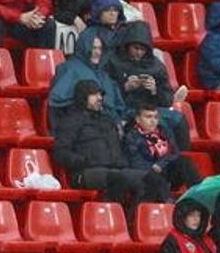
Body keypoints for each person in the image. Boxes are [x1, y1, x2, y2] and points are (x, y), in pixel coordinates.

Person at [56, 78, 169, 209]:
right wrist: (85, 161)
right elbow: (60, 152)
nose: (99, 98)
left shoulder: (107, 119)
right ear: (83, 96)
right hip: (85, 172)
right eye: (94, 95)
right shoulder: (71, 121)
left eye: (100, 95)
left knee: (154, 180)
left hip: (115, 169)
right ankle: (112, 221)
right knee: (118, 178)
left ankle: (133, 220)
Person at [123, 100, 199, 196]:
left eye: (155, 117)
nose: (153, 121)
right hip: (148, 175)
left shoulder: (163, 131)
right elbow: (135, 162)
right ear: (138, 119)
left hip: (164, 169)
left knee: (184, 161)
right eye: (148, 117)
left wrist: (160, 164)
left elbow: (175, 152)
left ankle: (198, 193)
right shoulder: (131, 137)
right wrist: (153, 167)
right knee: (153, 177)